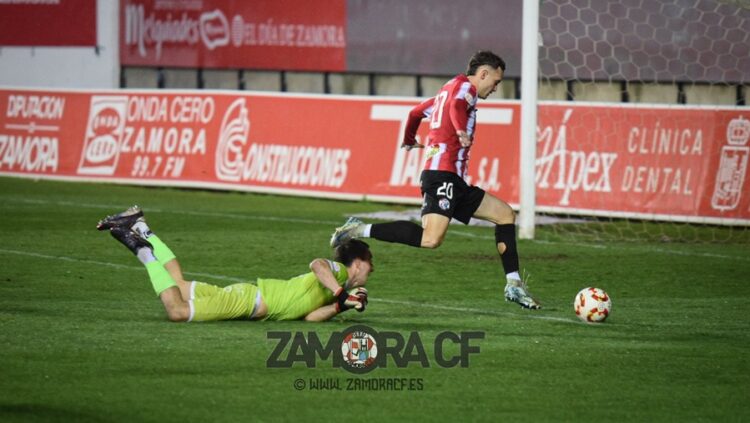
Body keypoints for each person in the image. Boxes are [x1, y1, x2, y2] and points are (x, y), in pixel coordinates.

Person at [330, 50, 540, 309]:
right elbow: (455, 108)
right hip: (444, 176)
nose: (495, 88)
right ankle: (358, 230)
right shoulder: (466, 89)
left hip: (455, 179)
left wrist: (408, 140)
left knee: (505, 214)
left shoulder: (446, 90)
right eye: (495, 82)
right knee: (431, 239)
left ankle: (514, 285)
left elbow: (415, 113)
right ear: (483, 74)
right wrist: (461, 130)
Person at [98, 206, 372, 322]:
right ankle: (140, 249)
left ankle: (140, 226)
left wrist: (340, 306)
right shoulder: (337, 272)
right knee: (177, 311)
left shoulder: (337, 287)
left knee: (178, 285)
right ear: (358, 263)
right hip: (247, 302)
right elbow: (317, 265)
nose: (371, 272)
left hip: (248, 296)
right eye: (371, 265)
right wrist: (341, 293)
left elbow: (309, 318)